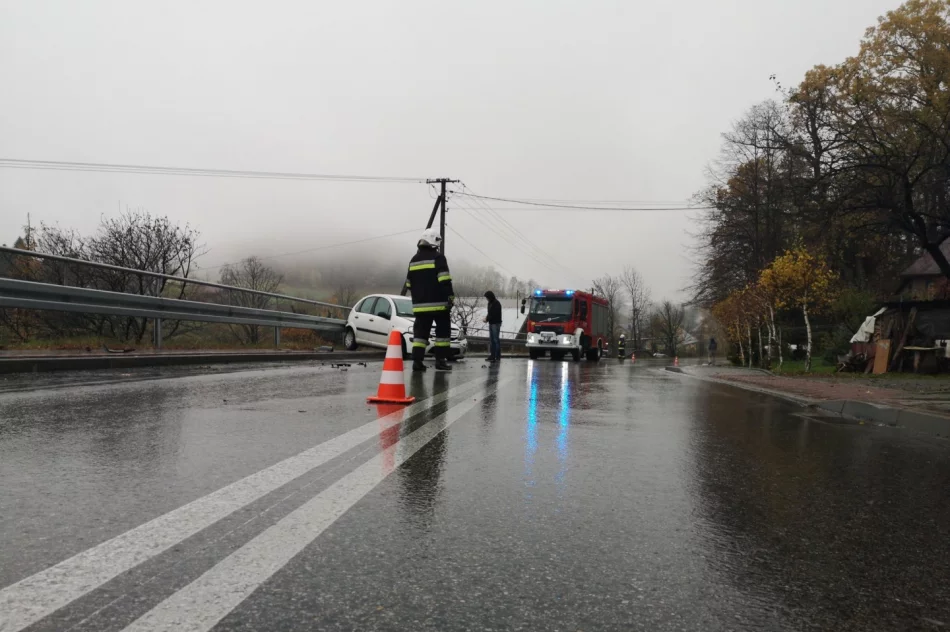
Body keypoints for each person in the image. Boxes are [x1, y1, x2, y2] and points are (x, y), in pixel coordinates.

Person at [404, 228, 455, 372]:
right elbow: (444, 279)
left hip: (420, 306)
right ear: (434, 241)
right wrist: (450, 297)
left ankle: (417, 363)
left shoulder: (413, 260)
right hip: (439, 305)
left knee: (420, 335)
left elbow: (408, 284)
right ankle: (440, 362)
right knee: (442, 334)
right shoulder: (438, 258)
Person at [483, 290, 502, 362]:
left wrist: (487, 319)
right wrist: (487, 318)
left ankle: (497, 356)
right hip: (491, 323)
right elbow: (489, 313)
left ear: (490, 297)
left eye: (487, 298)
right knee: (492, 340)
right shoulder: (489, 303)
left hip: (496, 323)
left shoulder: (496, 303)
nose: (487, 299)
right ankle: (492, 355)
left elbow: (494, 314)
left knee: (496, 340)